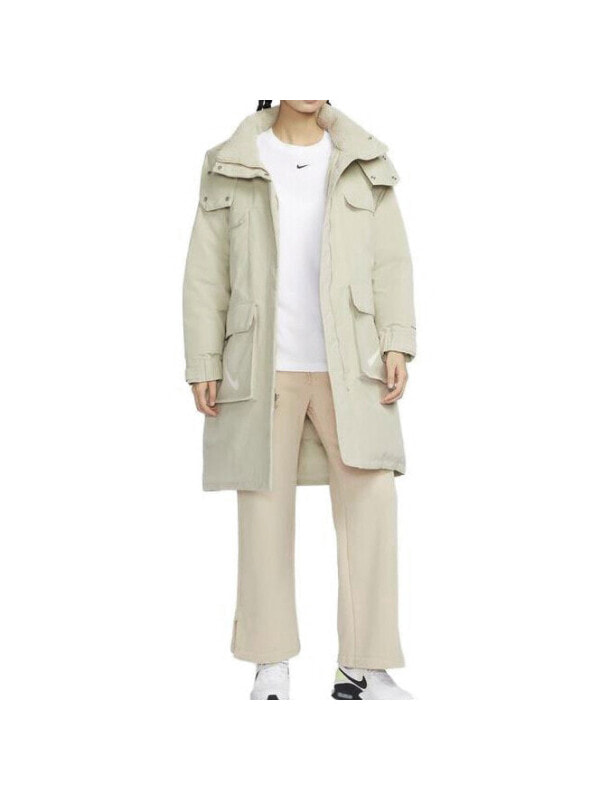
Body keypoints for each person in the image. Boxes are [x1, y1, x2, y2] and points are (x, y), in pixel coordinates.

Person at [183, 100, 416, 700]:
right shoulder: (231, 160)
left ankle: (364, 668)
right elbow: (207, 272)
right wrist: (204, 360)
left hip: (353, 365)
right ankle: (271, 665)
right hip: (263, 363)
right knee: (263, 511)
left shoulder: (363, 158)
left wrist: (396, 340)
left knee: (372, 504)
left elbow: (391, 261)